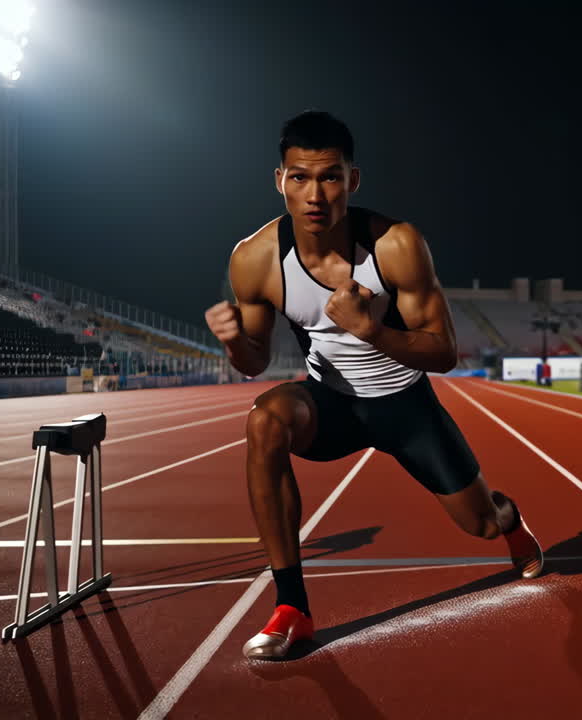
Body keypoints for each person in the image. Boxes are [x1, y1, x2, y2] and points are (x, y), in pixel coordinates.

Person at [204, 111, 543, 660]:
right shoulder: (255, 259)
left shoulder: (396, 245)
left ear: (352, 180)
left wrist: (372, 330)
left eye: (330, 177)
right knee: (264, 419)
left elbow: (444, 352)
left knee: (479, 524)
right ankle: (292, 608)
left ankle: (509, 517)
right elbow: (255, 361)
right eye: (299, 177)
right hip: (331, 404)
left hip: (406, 408)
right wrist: (233, 343)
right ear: (279, 180)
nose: (315, 195)